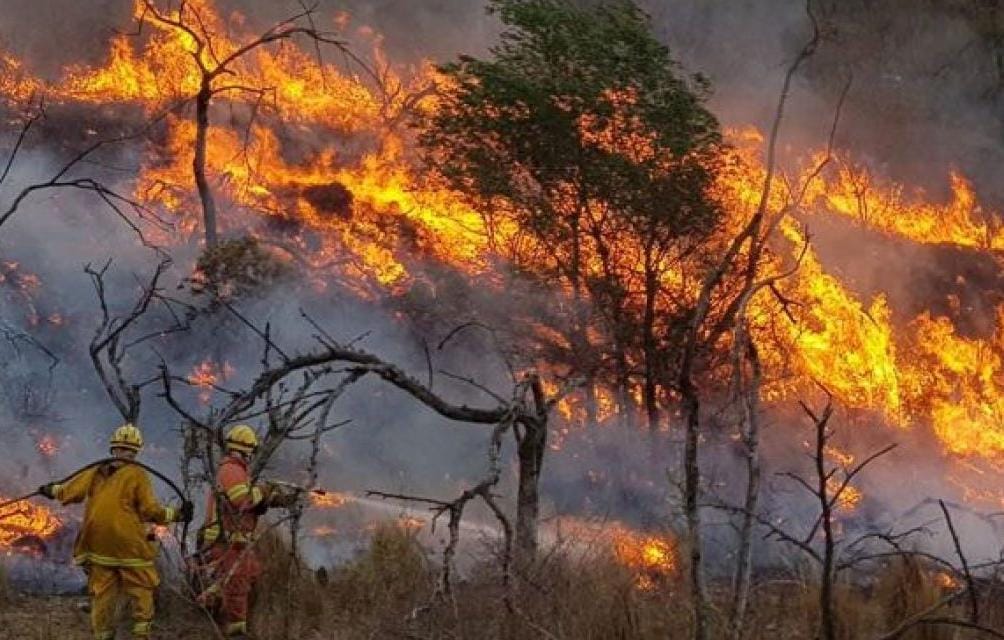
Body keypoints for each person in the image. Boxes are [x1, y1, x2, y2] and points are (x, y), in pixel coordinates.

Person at [39, 423, 193, 640]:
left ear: (113, 447)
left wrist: (50, 490)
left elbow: (70, 491)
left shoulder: (96, 470)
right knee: (142, 587)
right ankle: (140, 635)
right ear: (136, 451)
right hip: (128, 545)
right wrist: (177, 514)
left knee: (102, 592)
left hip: (96, 544)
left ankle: (103, 635)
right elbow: (150, 511)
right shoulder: (137, 474)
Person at [197, 424, 294, 639]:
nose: (251, 456)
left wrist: (273, 500)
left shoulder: (237, 470)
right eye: (251, 451)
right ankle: (235, 632)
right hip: (227, 542)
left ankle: (218, 613)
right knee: (236, 586)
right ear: (245, 450)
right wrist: (264, 491)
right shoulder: (231, 469)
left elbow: (247, 502)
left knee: (248, 576)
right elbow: (242, 499)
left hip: (236, 542)